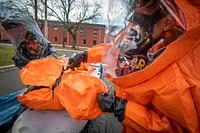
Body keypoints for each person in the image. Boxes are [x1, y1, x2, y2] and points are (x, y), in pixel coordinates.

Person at [67, 0, 200, 132]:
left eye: (142, 4)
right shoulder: (152, 39)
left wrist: (123, 108)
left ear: (167, 22)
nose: (135, 9)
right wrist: (87, 55)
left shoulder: (182, 76)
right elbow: (120, 50)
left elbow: (179, 128)